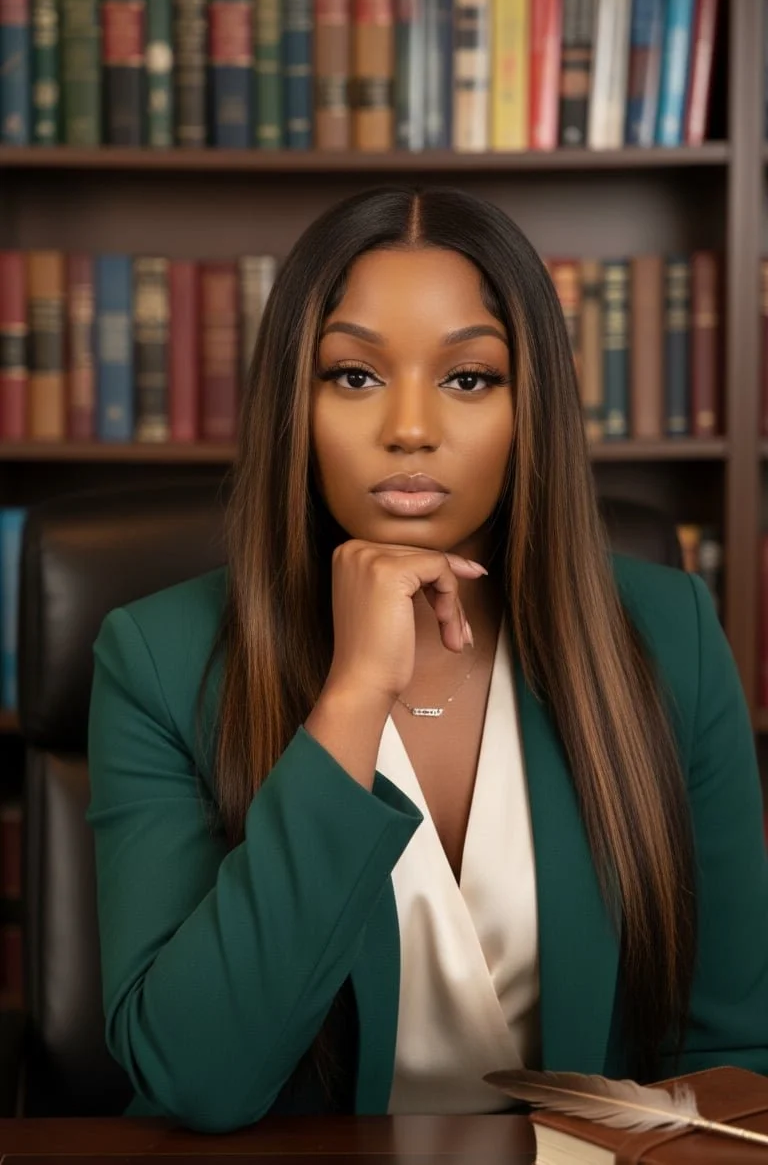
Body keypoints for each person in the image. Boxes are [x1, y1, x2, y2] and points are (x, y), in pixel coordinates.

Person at [86, 186, 768, 1134]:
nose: (410, 428)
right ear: (296, 401)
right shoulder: (159, 659)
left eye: (469, 378)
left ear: (532, 406)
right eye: (355, 376)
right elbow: (194, 1077)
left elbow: (729, 1062)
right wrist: (354, 695)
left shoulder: (671, 635)